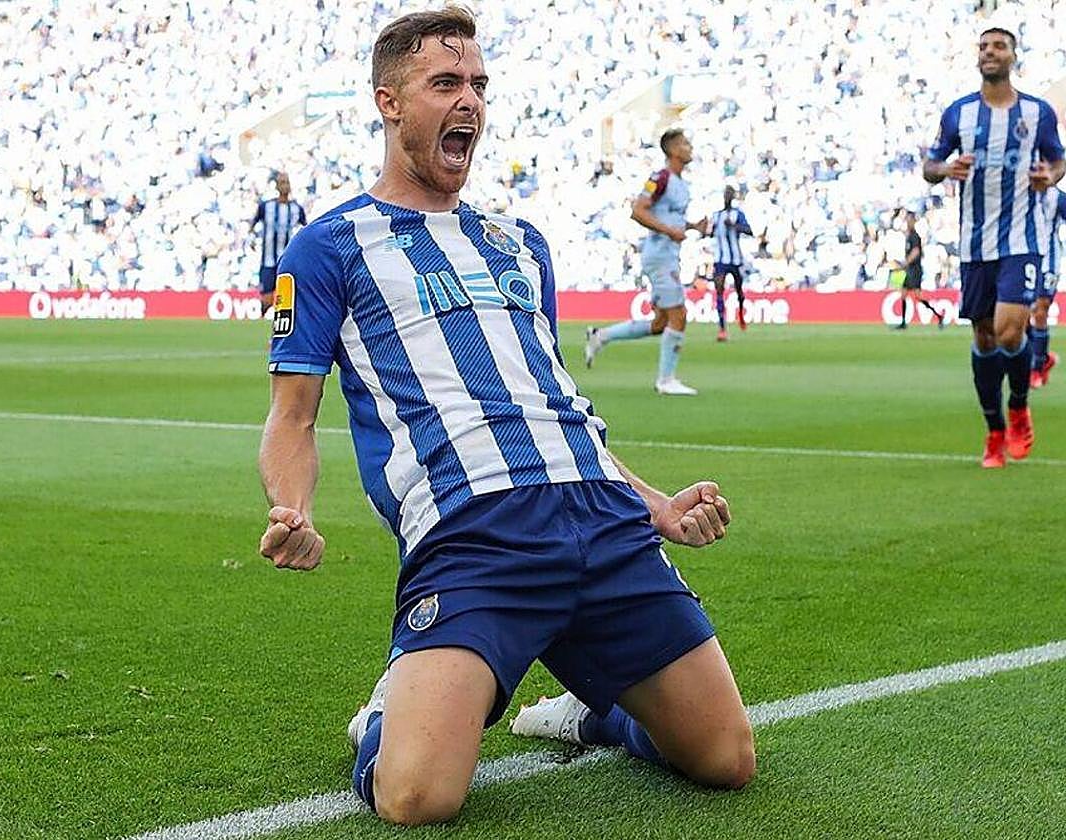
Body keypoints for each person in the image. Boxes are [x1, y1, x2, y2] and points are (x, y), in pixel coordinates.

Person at [258, 7, 754, 827]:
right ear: (388, 102)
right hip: (474, 529)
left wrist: (655, 504)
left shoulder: (521, 241)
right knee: (417, 798)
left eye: (479, 85)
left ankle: (592, 710)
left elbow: (550, 408)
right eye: (445, 83)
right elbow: (292, 418)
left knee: (726, 759)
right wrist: (293, 508)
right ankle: (388, 715)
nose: (470, 102)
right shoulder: (328, 248)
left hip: (597, 512)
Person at [922, 28, 1064, 468]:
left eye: (998, 46)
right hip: (974, 244)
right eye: (983, 46)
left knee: (1008, 330)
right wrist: (946, 168)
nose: (989, 52)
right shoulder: (958, 114)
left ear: (1013, 56)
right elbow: (929, 166)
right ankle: (994, 430)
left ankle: (1019, 405)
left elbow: (1059, 158)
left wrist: (1052, 177)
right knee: (984, 337)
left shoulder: (1037, 113)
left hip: (1022, 239)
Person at [583, 129, 710, 395]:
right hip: (660, 255)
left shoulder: (680, 183)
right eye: (685, 143)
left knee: (660, 323)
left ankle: (601, 336)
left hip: (668, 254)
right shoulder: (660, 177)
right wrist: (668, 231)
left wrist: (692, 226)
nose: (689, 147)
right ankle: (665, 380)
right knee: (679, 315)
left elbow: (668, 218)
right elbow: (638, 211)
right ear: (673, 150)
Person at [250, 171, 306, 316]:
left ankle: (281, 332)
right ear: (276, 186)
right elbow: (253, 224)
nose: (285, 186)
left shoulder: (296, 209)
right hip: (268, 260)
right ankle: (261, 320)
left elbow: (306, 228)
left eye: (287, 182)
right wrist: (252, 240)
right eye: (282, 182)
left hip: (287, 260)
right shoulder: (266, 206)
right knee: (267, 300)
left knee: (287, 299)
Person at [708, 185, 753, 340]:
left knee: (739, 290)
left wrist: (734, 226)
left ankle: (741, 312)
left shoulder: (737, 214)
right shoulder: (716, 215)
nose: (727, 197)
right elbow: (709, 232)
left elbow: (749, 230)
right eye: (725, 194)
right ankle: (722, 328)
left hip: (735, 259)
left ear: (732, 197)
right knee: (719, 290)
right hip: (720, 259)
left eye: (729, 194)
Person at [1030, 184, 1064, 388]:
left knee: (1040, 310)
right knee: (1021, 314)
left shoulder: (1058, 197)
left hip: (1049, 261)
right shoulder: (1022, 191)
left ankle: (1036, 369)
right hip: (1024, 257)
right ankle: (1042, 357)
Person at [893, 212, 945, 330]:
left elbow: (916, 251)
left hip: (915, 270)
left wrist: (905, 263)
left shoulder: (914, 236)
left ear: (913, 222)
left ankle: (938, 315)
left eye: (909, 220)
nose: (908, 223)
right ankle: (903, 322)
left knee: (918, 296)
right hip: (910, 269)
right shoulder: (909, 236)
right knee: (904, 294)